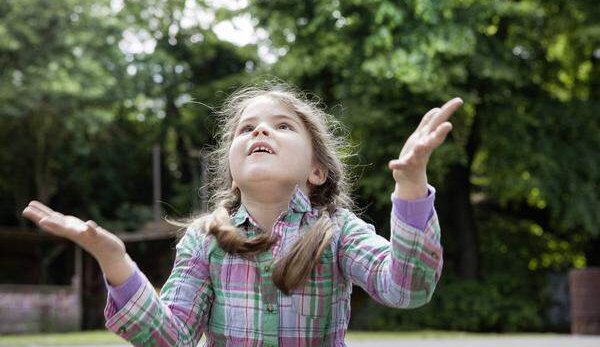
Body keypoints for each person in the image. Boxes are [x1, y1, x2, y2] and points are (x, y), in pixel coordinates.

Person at [22, 80, 463, 346]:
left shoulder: (339, 232)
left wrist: (410, 186)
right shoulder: (204, 240)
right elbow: (172, 338)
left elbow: (409, 289)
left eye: (283, 125)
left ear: (316, 170)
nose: (261, 130)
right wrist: (115, 260)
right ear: (232, 171)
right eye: (246, 128)